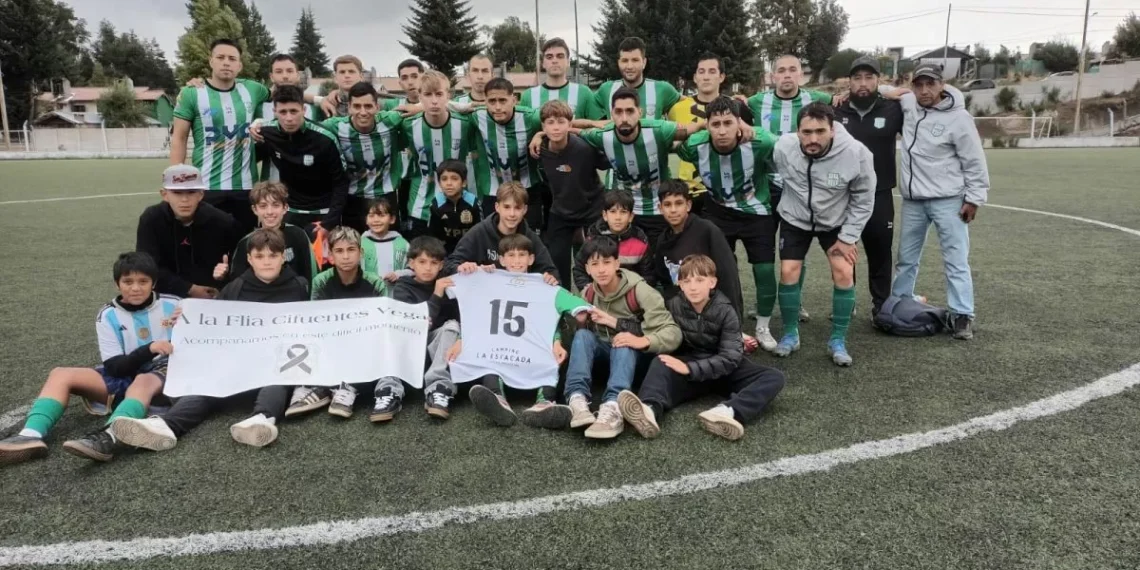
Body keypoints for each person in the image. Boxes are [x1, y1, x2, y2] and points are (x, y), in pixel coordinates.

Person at [112, 229, 311, 451]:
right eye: (259, 256)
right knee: (207, 385)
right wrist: (187, 318)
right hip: (238, 363)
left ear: (283, 257)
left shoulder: (299, 285)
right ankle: (166, 426)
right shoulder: (236, 287)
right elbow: (212, 323)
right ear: (249, 259)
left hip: (276, 362)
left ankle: (262, 419)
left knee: (277, 377)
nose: (266, 262)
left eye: (273, 256)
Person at [0, 252, 178, 465]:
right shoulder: (107, 315)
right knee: (60, 374)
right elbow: (114, 368)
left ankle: (110, 437)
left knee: (143, 381)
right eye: (128, 281)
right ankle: (30, 435)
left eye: (143, 281)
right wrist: (148, 349)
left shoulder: (176, 305)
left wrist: (188, 319)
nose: (136, 288)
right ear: (117, 284)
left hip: (161, 374)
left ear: (154, 283)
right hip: (123, 373)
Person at [618, 255, 785, 441]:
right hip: (690, 366)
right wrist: (614, 323)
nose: (693, 287)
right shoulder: (673, 304)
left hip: (722, 369)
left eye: (700, 280)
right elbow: (648, 327)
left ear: (712, 282)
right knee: (661, 361)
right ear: (679, 284)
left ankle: (727, 412)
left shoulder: (726, 310)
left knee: (773, 377)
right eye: (687, 281)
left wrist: (690, 369)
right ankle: (649, 411)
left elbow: (730, 358)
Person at [771, 103, 875, 366]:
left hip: (836, 221)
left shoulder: (856, 153)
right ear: (797, 131)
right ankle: (790, 333)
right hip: (795, 218)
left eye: (820, 131)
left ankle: (838, 340)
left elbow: (864, 198)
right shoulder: (783, 147)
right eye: (806, 132)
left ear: (833, 130)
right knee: (788, 271)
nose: (813, 139)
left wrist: (848, 237)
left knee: (843, 270)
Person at [891, 64, 989, 340]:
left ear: (941, 85)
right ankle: (899, 303)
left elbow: (975, 161)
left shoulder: (959, 118)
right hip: (913, 201)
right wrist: (895, 91)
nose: (924, 90)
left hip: (949, 200)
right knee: (906, 258)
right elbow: (885, 91)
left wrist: (974, 199)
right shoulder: (909, 103)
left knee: (955, 258)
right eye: (918, 84)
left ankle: (961, 315)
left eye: (930, 84)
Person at [675, 96, 780, 350]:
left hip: (757, 212)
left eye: (728, 123)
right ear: (707, 125)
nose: (722, 131)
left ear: (739, 123)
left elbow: (779, 142)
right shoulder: (695, 146)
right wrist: (696, 128)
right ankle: (727, 323)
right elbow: (672, 140)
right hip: (719, 213)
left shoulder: (760, 142)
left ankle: (763, 326)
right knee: (718, 270)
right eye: (715, 124)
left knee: (764, 269)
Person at [455, 234, 588, 429]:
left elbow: (574, 312)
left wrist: (557, 340)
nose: (516, 261)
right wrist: (461, 338)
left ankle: (544, 404)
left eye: (522, 255)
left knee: (550, 357)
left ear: (531, 259)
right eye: (511, 255)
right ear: (501, 259)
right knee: (488, 357)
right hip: (500, 345)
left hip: (531, 347)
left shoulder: (545, 285)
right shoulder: (486, 281)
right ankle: (497, 400)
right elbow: (475, 316)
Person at [747, 54, 836, 323]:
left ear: (802, 75)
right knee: (763, 249)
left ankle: (794, 303)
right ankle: (763, 302)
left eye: (792, 70)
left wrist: (893, 90)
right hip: (767, 186)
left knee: (796, 249)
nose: (787, 75)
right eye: (781, 70)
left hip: (800, 187)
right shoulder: (755, 102)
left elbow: (847, 98)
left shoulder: (819, 101)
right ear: (772, 76)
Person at [565, 239, 681, 440]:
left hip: (636, 361)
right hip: (606, 358)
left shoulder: (640, 291)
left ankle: (613, 406)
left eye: (606, 262)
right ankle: (577, 399)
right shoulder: (588, 292)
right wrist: (580, 322)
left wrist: (642, 341)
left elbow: (673, 332)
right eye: (595, 264)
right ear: (587, 269)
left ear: (617, 264)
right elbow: (583, 338)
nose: (601, 270)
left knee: (622, 340)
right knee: (583, 335)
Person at [572, 87, 700, 245]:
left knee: (659, 260)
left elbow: (696, 127)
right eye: (618, 112)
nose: (624, 118)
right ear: (612, 114)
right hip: (625, 211)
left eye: (630, 111)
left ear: (640, 112)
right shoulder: (603, 135)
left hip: (657, 209)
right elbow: (567, 129)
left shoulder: (658, 129)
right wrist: (540, 134)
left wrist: (738, 125)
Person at [170, 38, 270, 233]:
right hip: (206, 186)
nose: (226, 62)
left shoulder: (252, 89)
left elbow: (283, 94)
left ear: (240, 65)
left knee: (245, 244)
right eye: (221, 57)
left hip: (245, 187)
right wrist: (176, 182)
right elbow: (179, 138)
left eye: (232, 58)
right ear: (211, 61)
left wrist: (319, 98)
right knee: (207, 246)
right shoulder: (192, 93)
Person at [286, 227, 387, 419]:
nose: (346, 256)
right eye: (339, 251)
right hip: (330, 341)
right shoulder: (320, 281)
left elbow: (380, 326)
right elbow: (315, 320)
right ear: (330, 255)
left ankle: (348, 387)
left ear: (361, 253)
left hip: (362, 344)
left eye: (351, 250)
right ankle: (315, 387)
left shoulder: (376, 283)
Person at [835, 56, 905, 319]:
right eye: (857, 78)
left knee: (880, 252)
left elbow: (919, 98)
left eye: (869, 78)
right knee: (844, 249)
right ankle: (847, 303)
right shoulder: (836, 110)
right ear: (849, 82)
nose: (863, 84)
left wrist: (889, 92)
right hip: (844, 194)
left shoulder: (893, 109)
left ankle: (881, 307)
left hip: (880, 193)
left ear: (878, 80)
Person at [377, 236, 462, 421]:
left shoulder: (449, 284)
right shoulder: (402, 287)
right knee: (390, 330)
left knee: (453, 325)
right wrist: (437, 294)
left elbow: (458, 317)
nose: (428, 268)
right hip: (409, 342)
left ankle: (438, 386)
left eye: (433, 263)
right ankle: (389, 389)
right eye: (422, 262)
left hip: (437, 347)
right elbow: (418, 324)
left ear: (441, 266)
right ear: (411, 263)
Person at [535, 99, 611, 286]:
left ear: (570, 124)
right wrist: (537, 136)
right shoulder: (539, 149)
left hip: (591, 210)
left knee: (596, 259)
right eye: (550, 123)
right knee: (556, 263)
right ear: (543, 126)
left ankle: (595, 301)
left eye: (561, 122)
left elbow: (609, 158)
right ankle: (563, 305)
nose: (556, 128)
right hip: (561, 212)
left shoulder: (585, 148)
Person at [258, 85, 351, 237]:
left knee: (322, 260)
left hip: (323, 213)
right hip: (290, 210)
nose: (289, 118)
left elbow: (341, 182)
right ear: (275, 112)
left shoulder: (325, 138)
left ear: (304, 110)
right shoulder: (266, 133)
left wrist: (329, 222)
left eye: (294, 111)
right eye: (283, 112)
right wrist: (253, 127)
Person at [668, 54, 755, 214]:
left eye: (712, 71)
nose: (706, 77)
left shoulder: (737, 107)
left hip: (726, 192)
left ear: (721, 77)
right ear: (695, 77)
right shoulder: (676, 109)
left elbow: (750, 141)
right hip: (689, 191)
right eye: (701, 72)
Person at [402, 70, 485, 238]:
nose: (434, 101)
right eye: (427, 94)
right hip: (421, 208)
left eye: (439, 94)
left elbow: (492, 108)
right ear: (419, 96)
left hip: (460, 207)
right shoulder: (407, 125)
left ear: (448, 95)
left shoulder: (466, 123)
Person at [136, 164, 240, 299]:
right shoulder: (151, 219)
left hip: (212, 294)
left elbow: (239, 263)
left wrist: (224, 277)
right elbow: (146, 265)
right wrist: (189, 289)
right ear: (164, 194)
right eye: (177, 193)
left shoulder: (223, 222)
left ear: (201, 194)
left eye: (191, 192)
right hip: (165, 294)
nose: (184, 200)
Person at [321, 82, 407, 233]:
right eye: (357, 106)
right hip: (353, 198)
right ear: (349, 108)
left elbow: (422, 109)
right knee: (354, 246)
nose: (363, 112)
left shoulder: (390, 121)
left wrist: (418, 107)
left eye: (368, 106)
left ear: (377, 107)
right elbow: (306, 126)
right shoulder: (335, 126)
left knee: (389, 245)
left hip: (385, 195)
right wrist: (321, 100)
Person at [654, 180, 745, 318]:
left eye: (679, 203)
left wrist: (732, 318)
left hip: (713, 312)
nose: (673, 210)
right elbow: (665, 282)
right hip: (683, 314)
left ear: (688, 205)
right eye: (667, 204)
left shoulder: (707, 230)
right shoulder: (662, 240)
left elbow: (728, 277)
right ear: (660, 208)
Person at [443, 182, 559, 283]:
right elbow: (450, 263)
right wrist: (462, 268)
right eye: (507, 207)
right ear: (497, 207)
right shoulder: (479, 232)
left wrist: (550, 278)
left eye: (517, 208)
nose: (512, 214)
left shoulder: (530, 237)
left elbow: (551, 272)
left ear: (525, 210)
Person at [469, 77, 545, 226]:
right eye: (492, 101)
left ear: (514, 99)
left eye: (502, 100)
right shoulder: (477, 117)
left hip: (528, 188)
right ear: (485, 102)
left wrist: (540, 134)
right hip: (493, 191)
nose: (497, 107)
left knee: (529, 240)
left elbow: (562, 123)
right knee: (493, 241)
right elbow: (441, 107)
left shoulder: (531, 118)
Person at [217, 181, 317, 288]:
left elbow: (311, 274)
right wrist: (223, 277)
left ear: (285, 208)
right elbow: (237, 283)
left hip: (292, 298)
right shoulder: (246, 242)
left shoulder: (298, 235)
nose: (269, 212)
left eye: (275, 205)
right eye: (263, 206)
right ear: (255, 209)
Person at [260, 53, 324, 183]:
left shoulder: (315, 109)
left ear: (298, 75)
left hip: (308, 186)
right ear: (271, 77)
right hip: (272, 187)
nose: (285, 75)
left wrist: (322, 99)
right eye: (279, 71)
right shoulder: (259, 107)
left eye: (289, 71)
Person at [572, 190, 654, 291]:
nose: (618, 217)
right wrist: (590, 292)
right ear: (605, 215)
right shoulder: (592, 239)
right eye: (613, 211)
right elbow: (579, 270)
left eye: (623, 212)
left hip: (630, 296)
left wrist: (634, 296)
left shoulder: (640, 242)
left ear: (631, 217)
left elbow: (648, 276)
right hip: (598, 295)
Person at [592, 37, 679, 121]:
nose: (629, 66)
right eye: (625, 60)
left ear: (644, 62)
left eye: (635, 60)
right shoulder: (606, 89)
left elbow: (687, 103)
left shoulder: (663, 89)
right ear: (618, 62)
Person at [520, 38, 603, 120]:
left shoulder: (584, 93)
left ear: (568, 62)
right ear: (543, 63)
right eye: (549, 57)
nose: (554, 60)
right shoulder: (528, 96)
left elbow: (599, 127)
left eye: (560, 56)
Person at [429, 159, 482, 253]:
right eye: (444, 179)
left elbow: (481, 233)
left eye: (454, 178)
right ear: (439, 183)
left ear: (464, 182)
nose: (449, 183)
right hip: (445, 253)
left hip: (469, 252)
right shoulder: (436, 204)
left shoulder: (473, 203)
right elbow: (433, 237)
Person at [360, 197, 409, 282]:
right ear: (366, 220)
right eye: (371, 216)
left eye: (381, 215)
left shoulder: (402, 244)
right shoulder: (361, 243)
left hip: (396, 292)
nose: (376, 220)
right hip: (368, 292)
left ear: (392, 219)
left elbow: (413, 269)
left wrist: (398, 274)